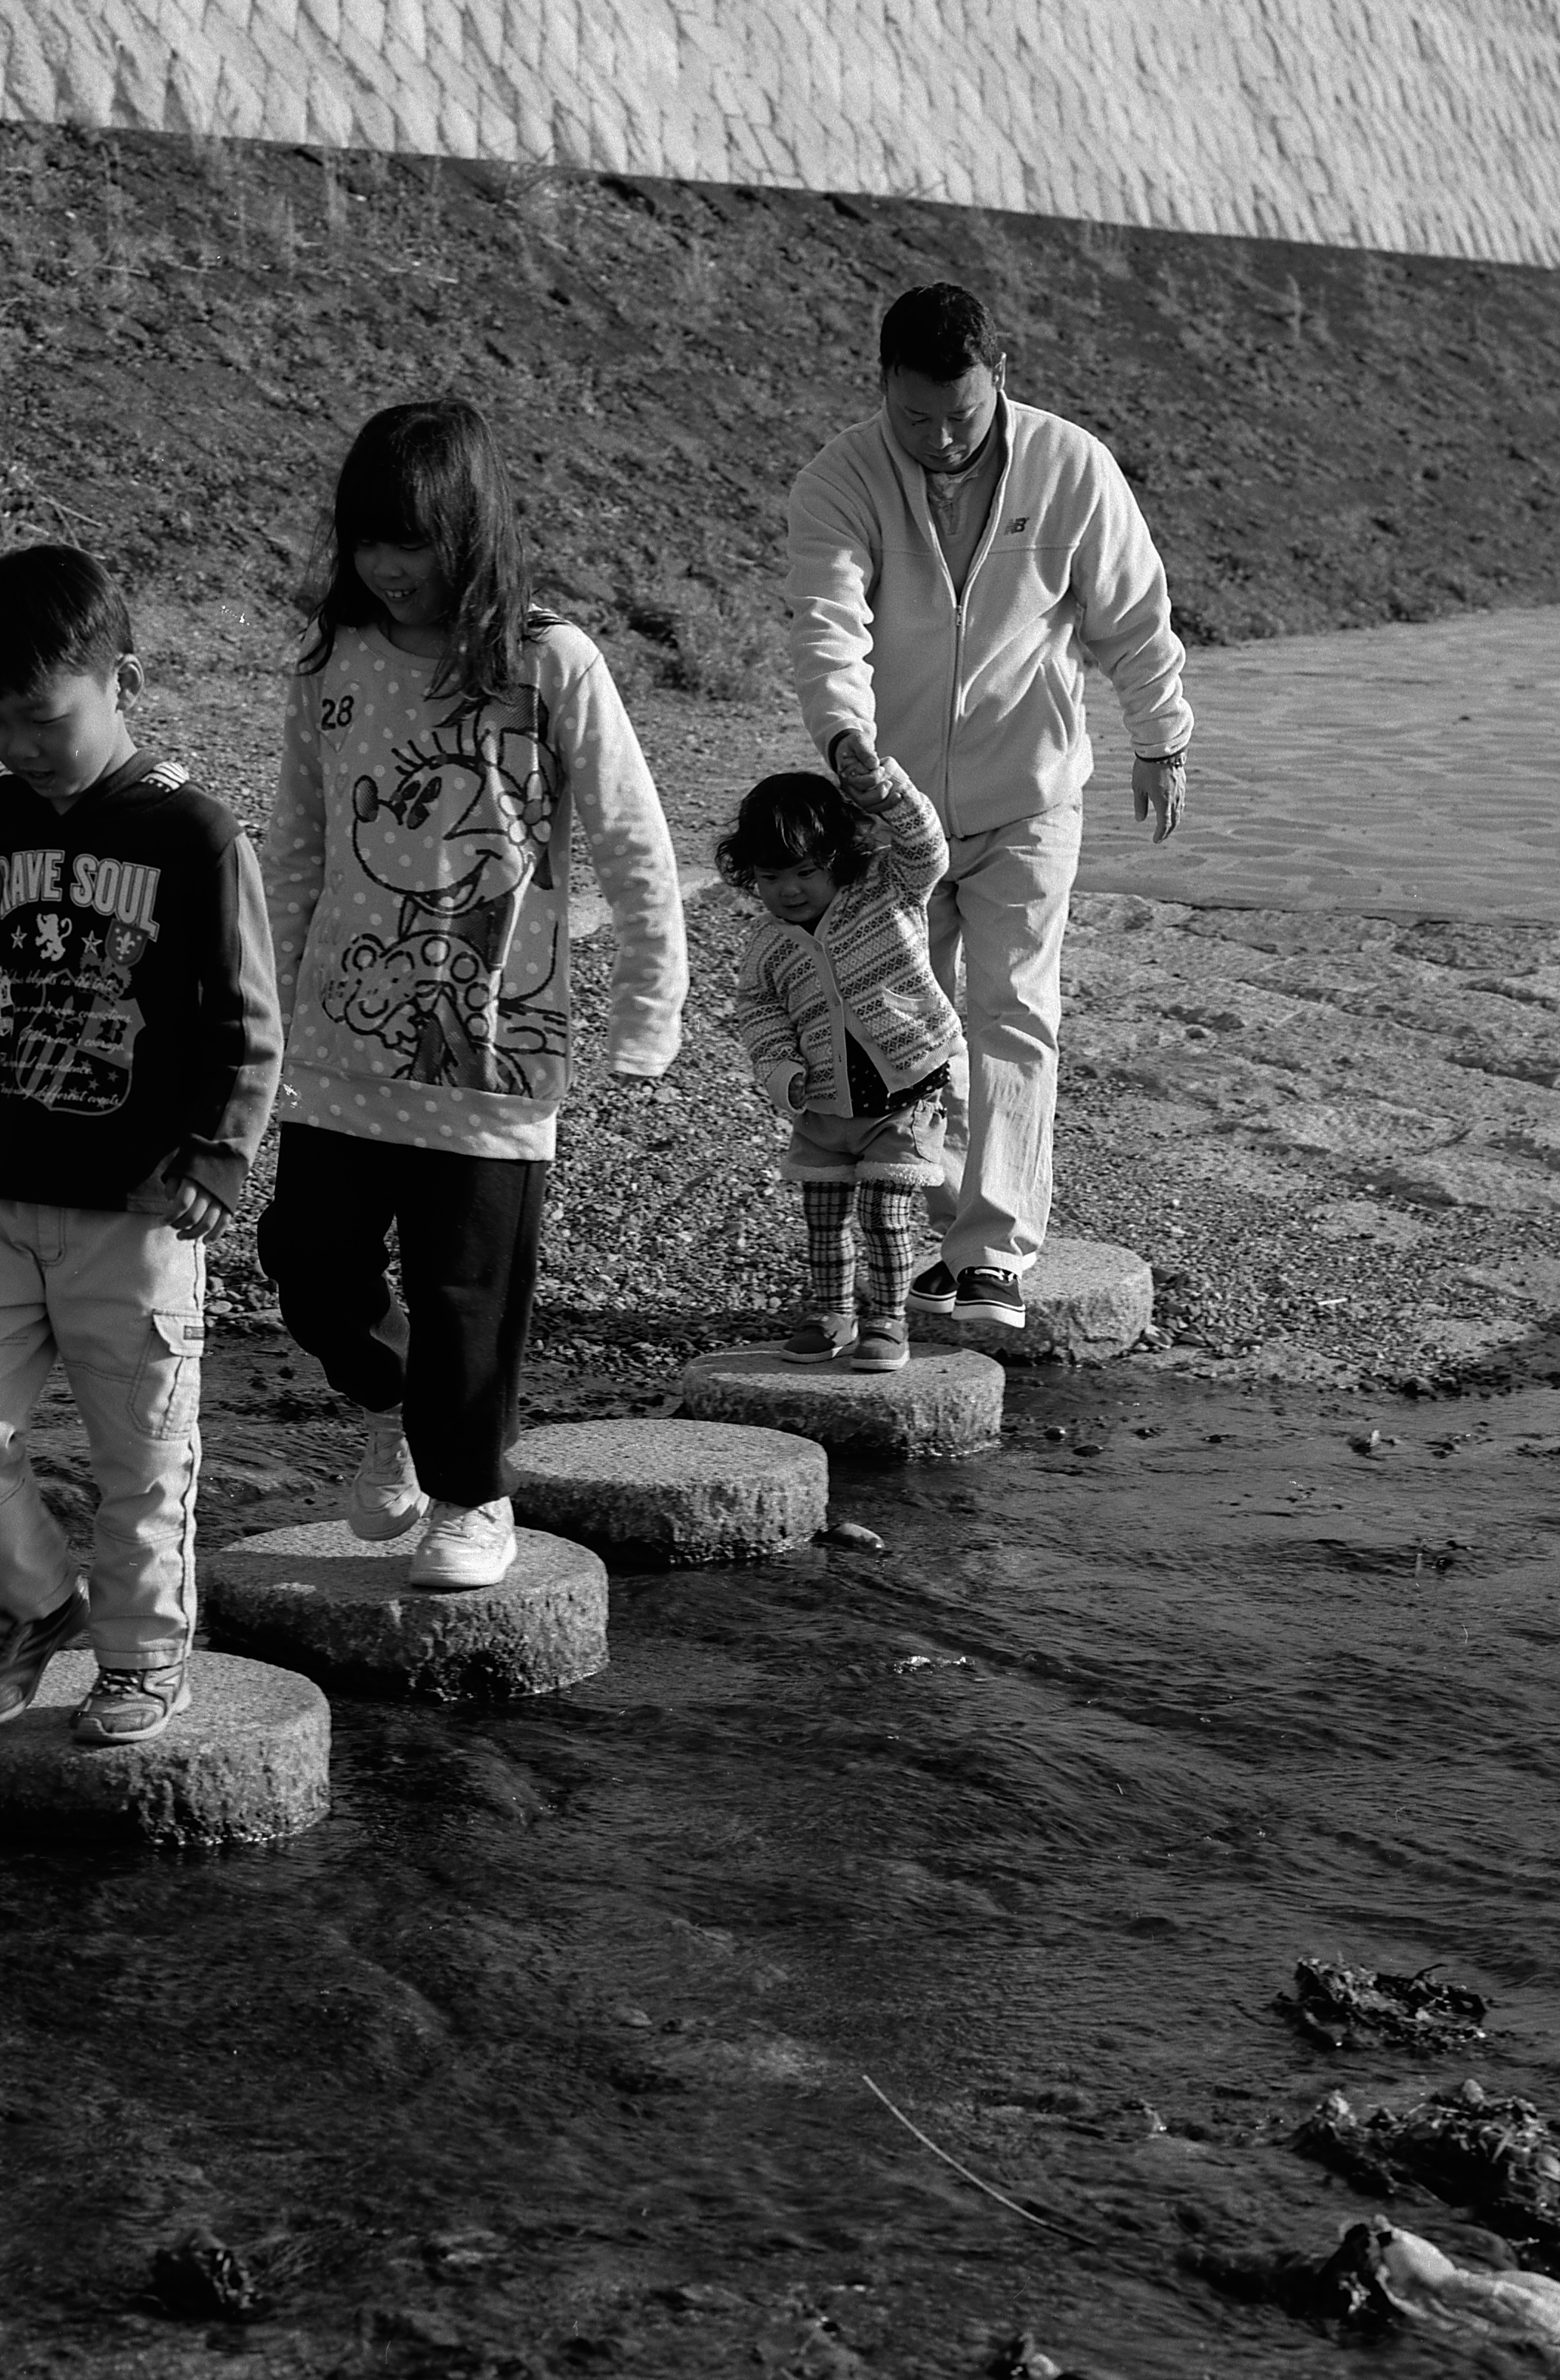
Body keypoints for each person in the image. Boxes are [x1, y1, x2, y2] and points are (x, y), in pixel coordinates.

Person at [260, 398, 686, 1592]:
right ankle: (399, 1401)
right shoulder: (331, 665)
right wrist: (260, 1006)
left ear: (470, 531)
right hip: (340, 1034)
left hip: (494, 1047)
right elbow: (294, 847)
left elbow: (633, 840)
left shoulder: (548, 662)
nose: (387, 567)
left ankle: (468, 1497)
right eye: (367, 540)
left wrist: (647, 1007)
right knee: (309, 1263)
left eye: (412, 541)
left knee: (467, 1292)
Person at [0, 541, 281, 1746]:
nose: (16, 744)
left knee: (143, 1453)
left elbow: (246, 1017)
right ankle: (34, 1599)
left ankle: (143, 1658)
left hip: (137, 1199)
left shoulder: (193, 834)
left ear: (126, 681)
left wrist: (219, 1152)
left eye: (42, 716)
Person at [786, 282, 1194, 1331]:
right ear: (882, 385)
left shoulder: (1070, 465)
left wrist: (1160, 737)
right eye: (914, 416)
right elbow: (828, 622)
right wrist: (845, 740)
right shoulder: (839, 478)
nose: (938, 439)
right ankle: (939, 1231)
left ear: (999, 378)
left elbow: (1132, 614)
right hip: (892, 809)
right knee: (904, 1019)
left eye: (959, 415)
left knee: (1012, 1007)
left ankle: (994, 1251)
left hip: (1030, 794)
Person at [717, 732, 962, 1371]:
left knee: (884, 1214)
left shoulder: (887, 888)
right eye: (770, 877)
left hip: (903, 1094)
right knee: (823, 1219)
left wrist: (885, 793)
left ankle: (886, 1319)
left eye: (805, 872)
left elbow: (926, 847)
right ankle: (832, 1315)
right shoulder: (767, 944)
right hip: (823, 1107)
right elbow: (759, 1010)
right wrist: (778, 1068)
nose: (789, 891)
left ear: (838, 858)